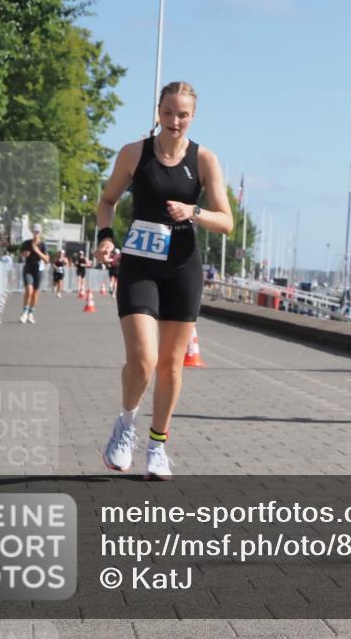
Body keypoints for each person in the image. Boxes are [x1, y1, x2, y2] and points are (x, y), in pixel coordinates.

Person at [95, 81, 232, 480]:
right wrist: (105, 237)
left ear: (193, 117)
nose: (174, 121)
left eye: (182, 114)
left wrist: (194, 212)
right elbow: (107, 201)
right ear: (158, 111)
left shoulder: (204, 159)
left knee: (171, 364)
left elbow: (226, 221)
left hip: (182, 269)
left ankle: (157, 445)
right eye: (168, 112)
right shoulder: (133, 153)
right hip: (139, 266)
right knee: (144, 360)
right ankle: (125, 425)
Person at [19, 224, 50, 323]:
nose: (36, 233)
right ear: (32, 232)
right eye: (35, 231)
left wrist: (37, 251)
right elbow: (20, 253)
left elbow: (47, 260)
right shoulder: (26, 243)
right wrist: (24, 254)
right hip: (28, 268)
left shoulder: (43, 245)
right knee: (29, 290)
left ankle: (31, 313)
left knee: (35, 293)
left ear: (40, 233)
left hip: (38, 270)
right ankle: (24, 312)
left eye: (38, 232)